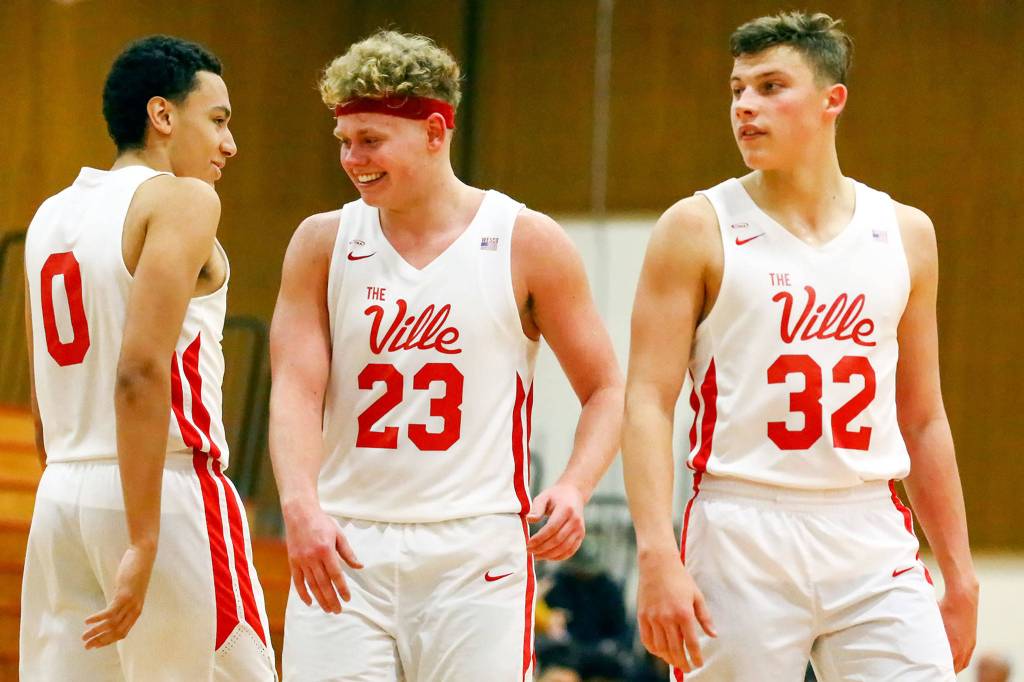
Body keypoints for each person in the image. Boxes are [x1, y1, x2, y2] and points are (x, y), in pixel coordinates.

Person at [622, 11, 977, 680]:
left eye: (770, 87)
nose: (745, 106)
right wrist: (655, 553)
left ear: (830, 100)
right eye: (737, 90)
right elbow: (646, 400)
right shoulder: (696, 227)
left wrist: (959, 573)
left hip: (869, 524)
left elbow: (924, 417)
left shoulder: (905, 233)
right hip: (740, 525)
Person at [268, 29, 623, 681]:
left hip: (475, 550)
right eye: (344, 140)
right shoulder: (321, 242)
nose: (352, 159)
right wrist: (298, 504)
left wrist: (575, 486)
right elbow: (295, 389)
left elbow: (605, 388)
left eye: (371, 140)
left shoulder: (526, 241)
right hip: (345, 542)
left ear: (435, 131)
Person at [20, 35, 276, 680]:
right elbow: (139, 371)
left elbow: (42, 392)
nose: (229, 144)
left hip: (61, 493)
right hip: (163, 485)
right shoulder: (182, 198)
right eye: (217, 120)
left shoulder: (51, 215)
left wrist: (82, 489)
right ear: (162, 115)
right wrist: (141, 535)